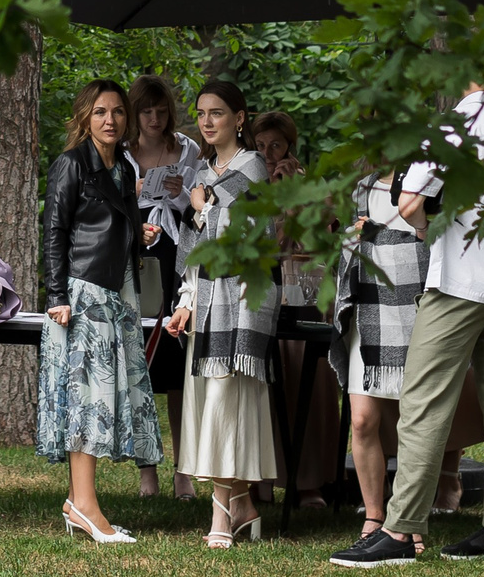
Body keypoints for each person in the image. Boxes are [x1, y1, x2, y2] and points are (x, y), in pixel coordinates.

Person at [331, 82, 484, 568]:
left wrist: (424, 228)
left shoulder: (453, 126)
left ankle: (400, 531)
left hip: (458, 283)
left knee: (421, 404)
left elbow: (408, 202)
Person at [40, 79, 165, 544]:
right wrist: (57, 296)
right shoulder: (71, 164)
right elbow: (55, 231)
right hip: (81, 294)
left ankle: (78, 503)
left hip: (116, 291)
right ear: (84, 118)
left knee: (96, 396)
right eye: (99, 112)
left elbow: (113, 222)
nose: (109, 120)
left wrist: (139, 232)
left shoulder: (123, 167)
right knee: (85, 399)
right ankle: (86, 507)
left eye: (116, 111)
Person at [163, 80, 275, 547]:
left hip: (242, 300)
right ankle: (244, 506)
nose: (207, 122)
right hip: (206, 301)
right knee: (213, 405)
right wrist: (185, 302)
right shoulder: (201, 173)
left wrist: (203, 210)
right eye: (201, 113)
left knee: (226, 405)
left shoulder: (253, 168)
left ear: (239, 118)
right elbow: (194, 249)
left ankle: (220, 514)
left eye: (217, 113)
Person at [328, 164, 425, 540]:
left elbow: (435, 245)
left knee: (412, 424)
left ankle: (408, 519)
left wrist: (382, 237)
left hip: (415, 313)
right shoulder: (361, 188)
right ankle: (374, 515)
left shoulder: (427, 182)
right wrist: (351, 237)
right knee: (362, 421)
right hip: (367, 313)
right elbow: (347, 247)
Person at [250, 111, 333, 505]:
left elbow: (322, 241)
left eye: (276, 146)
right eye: (260, 146)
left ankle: (309, 480)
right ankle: (261, 480)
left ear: (289, 148)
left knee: (307, 384)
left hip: (303, 294)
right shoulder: (249, 186)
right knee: (262, 388)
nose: (268, 154)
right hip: (261, 292)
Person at [125, 73, 198, 498]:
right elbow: (107, 211)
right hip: (135, 257)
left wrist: (181, 192)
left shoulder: (187, 148)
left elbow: (201, 209)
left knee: (177, 368)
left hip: (177, 256)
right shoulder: (122, 152)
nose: (154, 119)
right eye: (146, 112)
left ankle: (183, 470)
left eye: (161, 110)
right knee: (139, 366)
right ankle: (147, 469)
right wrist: (133, 202)